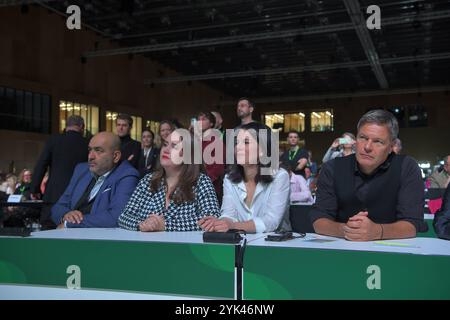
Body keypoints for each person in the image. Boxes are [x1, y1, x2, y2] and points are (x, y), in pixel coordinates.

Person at [310, 109, 427, 241]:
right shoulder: (332, 167)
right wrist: (347, 230)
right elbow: (319, 219)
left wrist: (379, 232)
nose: (367, 147)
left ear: (391, 146)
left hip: (392, 250)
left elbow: (413, 224)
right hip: (342, 248)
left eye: (378, 141)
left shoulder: (407, 167)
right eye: (363, 138)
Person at [118, 131, 220, 232]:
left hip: (185, 248)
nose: (166, 150)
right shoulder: (147, 180)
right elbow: (124, 217)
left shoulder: (201, 182)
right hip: (146, 246)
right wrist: (143, 224)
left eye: (174, 146)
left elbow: (211, 221)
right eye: (165, 144)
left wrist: (166, 225)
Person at [199, 122, 290, 233]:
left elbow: (271, 222)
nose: (238, 147)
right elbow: (228, 214)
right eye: (237, 143)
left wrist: (232, 225)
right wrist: (222, 223)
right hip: (239, 242)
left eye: (246, 142)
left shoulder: (280, 176)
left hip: (274, 245)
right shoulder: (229, 178)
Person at [51, 132, 139, 228]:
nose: (90, 157)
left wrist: (70, 224)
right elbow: (58, 207)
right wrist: (65, 215)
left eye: (98, 150)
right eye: (90, 150)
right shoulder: (81, 170)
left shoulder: (127, 175)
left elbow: (117, 217)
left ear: (116, 156)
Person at [30, 115, 88, 230]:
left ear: (66, 126)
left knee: (48, 231)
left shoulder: (54, 140)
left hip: (53, 195)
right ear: (82, 127)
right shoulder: (87, 144)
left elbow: (41, 164)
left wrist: (34, 189)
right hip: (78, 197)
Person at [197, 111, 225, 200]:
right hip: (193, 187)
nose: (200, 121)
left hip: (210, 188)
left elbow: (218, 169)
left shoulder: (216, 142)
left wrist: (203, 183)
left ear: (211, 123)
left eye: (204, 119)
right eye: (198, 119)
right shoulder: (195, 141)